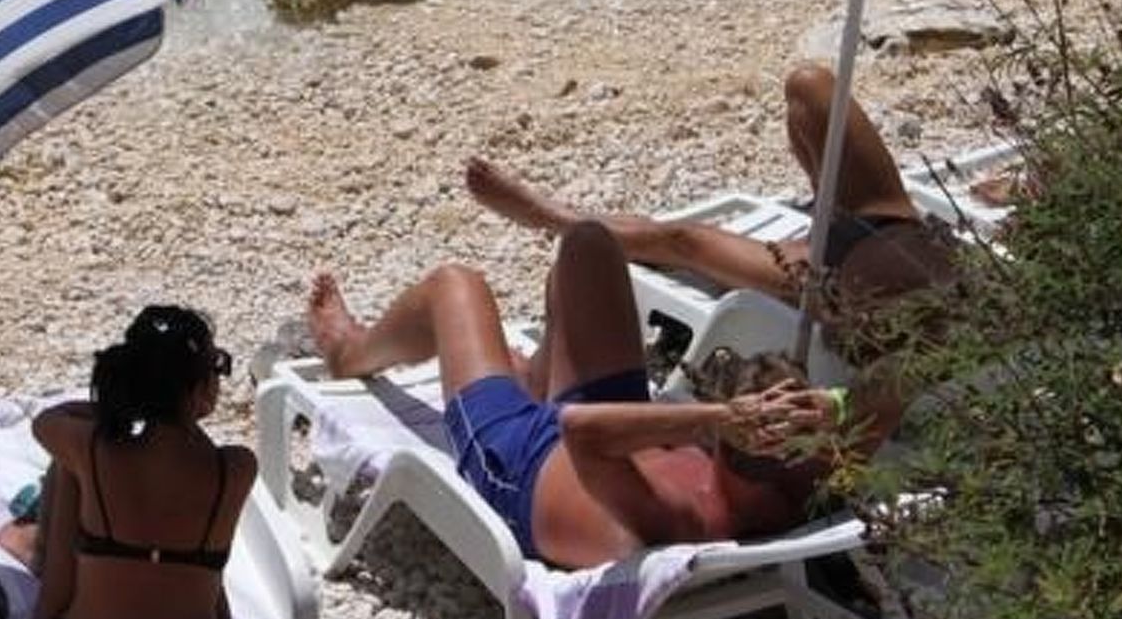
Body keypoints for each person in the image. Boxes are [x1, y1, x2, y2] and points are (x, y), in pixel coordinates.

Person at [307, 223, 847, 569]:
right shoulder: (801, 474)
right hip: (614, 436)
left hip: (520, 456)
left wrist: (713, 418)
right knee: (588, 247)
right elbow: (888, 393)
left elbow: (580, 430)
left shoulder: (680, 517)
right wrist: (835, 409)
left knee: (455, 284)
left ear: (734, 437)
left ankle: (351, 352)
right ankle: (535, 374)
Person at [464, 62, 958, 379]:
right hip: (891, 223)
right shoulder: (992, 300)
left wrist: (828, 303)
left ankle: (549, 217)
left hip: (826, 282)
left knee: (681, 241)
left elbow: (867, 359)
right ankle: (818, 205)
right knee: (809, 88)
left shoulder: (903, 344)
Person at [2, 305, 258, 619]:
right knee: (198, 543)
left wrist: (120, 411)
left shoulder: (96, 451)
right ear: (201, 387)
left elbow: (46, 422)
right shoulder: (235, 469)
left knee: (72, 468)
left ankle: (42, 586)